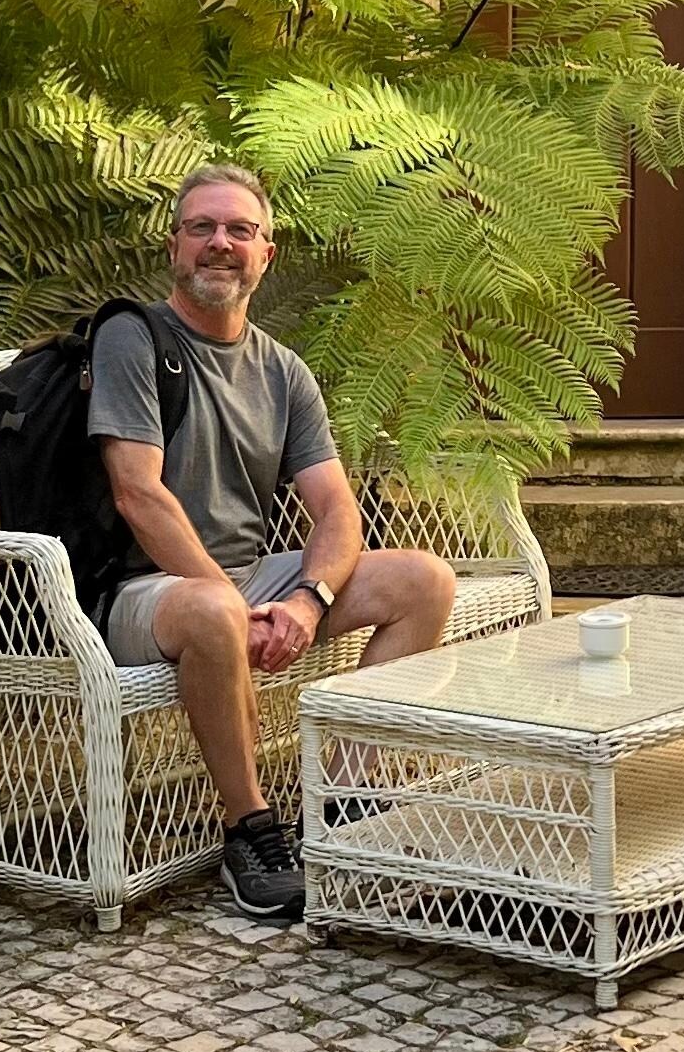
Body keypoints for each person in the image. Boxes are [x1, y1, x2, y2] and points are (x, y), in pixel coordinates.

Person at [88, 164, 457, 921]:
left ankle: (346, 806)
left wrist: (306, 598)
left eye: (238, 230)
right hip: (138, 591)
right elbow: (137, 494)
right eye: (201, 228)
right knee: (211, 612)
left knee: (421, 579)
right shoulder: (132, 338)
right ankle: (249, 830)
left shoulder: (283, 371)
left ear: (266, 254)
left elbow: (335, 510)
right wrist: (230, 598)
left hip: (247, 579)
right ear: (174, 247)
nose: (219, 244)